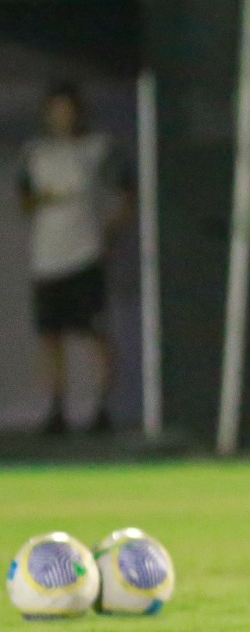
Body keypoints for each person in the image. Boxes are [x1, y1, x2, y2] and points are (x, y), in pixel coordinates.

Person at [18, 83, 133, 435]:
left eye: (67, 108)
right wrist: (43, 200)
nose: (61, 116)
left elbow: (128, 192)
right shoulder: (34, 154)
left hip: (84, 256)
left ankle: (101, 408)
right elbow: (23, 201)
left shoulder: (98, 150)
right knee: (51, 336)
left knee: (94, 333)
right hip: (46, 260)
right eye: (55, 109)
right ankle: (56, 409)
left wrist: (109, 232)